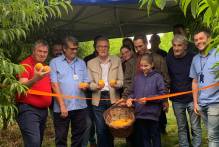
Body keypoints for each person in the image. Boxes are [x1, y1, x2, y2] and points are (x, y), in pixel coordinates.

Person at [50, 36, 90, 147]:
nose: (75, 51)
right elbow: (54, 84)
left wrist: (86, 85)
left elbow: (86, 80)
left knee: (78, 137)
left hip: (80, 106)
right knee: (61, 138)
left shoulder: (81, 63)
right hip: (62, 107)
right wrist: (62, 105)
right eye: (72, 49)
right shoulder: (54, 62)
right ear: (64, 48)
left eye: (76, 48)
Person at [87, 36, 123, 147]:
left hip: (113, 98)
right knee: (101, 129)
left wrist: (117, 84)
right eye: (100, 46)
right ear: (96, 48)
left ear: (109, 47)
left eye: (105, 46)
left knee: (111, 128)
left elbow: (121, 81)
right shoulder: (90, 63)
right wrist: (96, 86)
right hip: (98, 99)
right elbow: (89, 83)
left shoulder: (117, 60)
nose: (103, 49)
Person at [167, 34, 202, 147]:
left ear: (185, 46)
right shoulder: (169, 58)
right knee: (181, 127)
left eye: (179, 45)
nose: (176, 48)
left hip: (193, 98)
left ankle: (197, 145)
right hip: (177, 99)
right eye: (174, 45)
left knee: (195, 126)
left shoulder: (194, 57)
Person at [16, 40, 52, 147]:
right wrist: (35, 79)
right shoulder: (25, 64)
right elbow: (22, 87)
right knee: (34, 143)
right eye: (39, 51)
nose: (42, 54)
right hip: (28, 110)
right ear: (33, 51)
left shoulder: (44, 67)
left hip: (43, 111)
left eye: (45, 52)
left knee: (37, 142)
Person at [126, 54, 166, 147]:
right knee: (144, 138)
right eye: (141, 66)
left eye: (146, 65)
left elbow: (163, 95)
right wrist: (129, 99)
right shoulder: (137, 77)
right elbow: (132, 92)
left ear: (152, 64)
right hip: (140, 114)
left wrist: (148, 99)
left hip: (153, 115)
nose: (143, 68)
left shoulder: (157, 77)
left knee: (155, 137)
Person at [190, 29, 219, 147]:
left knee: (212, 136)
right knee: (213, 133)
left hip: (216, 103)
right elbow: (195, 81)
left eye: (201, 38)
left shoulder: (217, 54)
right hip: (202, 104)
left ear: (209, 39)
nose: (198, 42)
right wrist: (196, 103)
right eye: (196, 40)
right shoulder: (195, 59)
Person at [83, 36, 103, 147]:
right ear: (94, 46)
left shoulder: (107, 58)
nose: (100, 48)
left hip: (104, 95)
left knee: (102, 121)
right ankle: (92, 141)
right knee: (90, 120)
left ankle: (103, 141)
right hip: (90, 95)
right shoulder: (87, 59)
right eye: (98, 45)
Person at [150, 33, 168, 134]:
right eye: (153, 40)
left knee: (162, 108)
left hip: (160, 85)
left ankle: (163, 127)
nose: (154, 42)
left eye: (156, 40)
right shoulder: (147, 54)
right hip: (150, 86)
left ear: (159, 42)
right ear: (150, 42)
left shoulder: (163, 53)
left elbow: (166, 69)